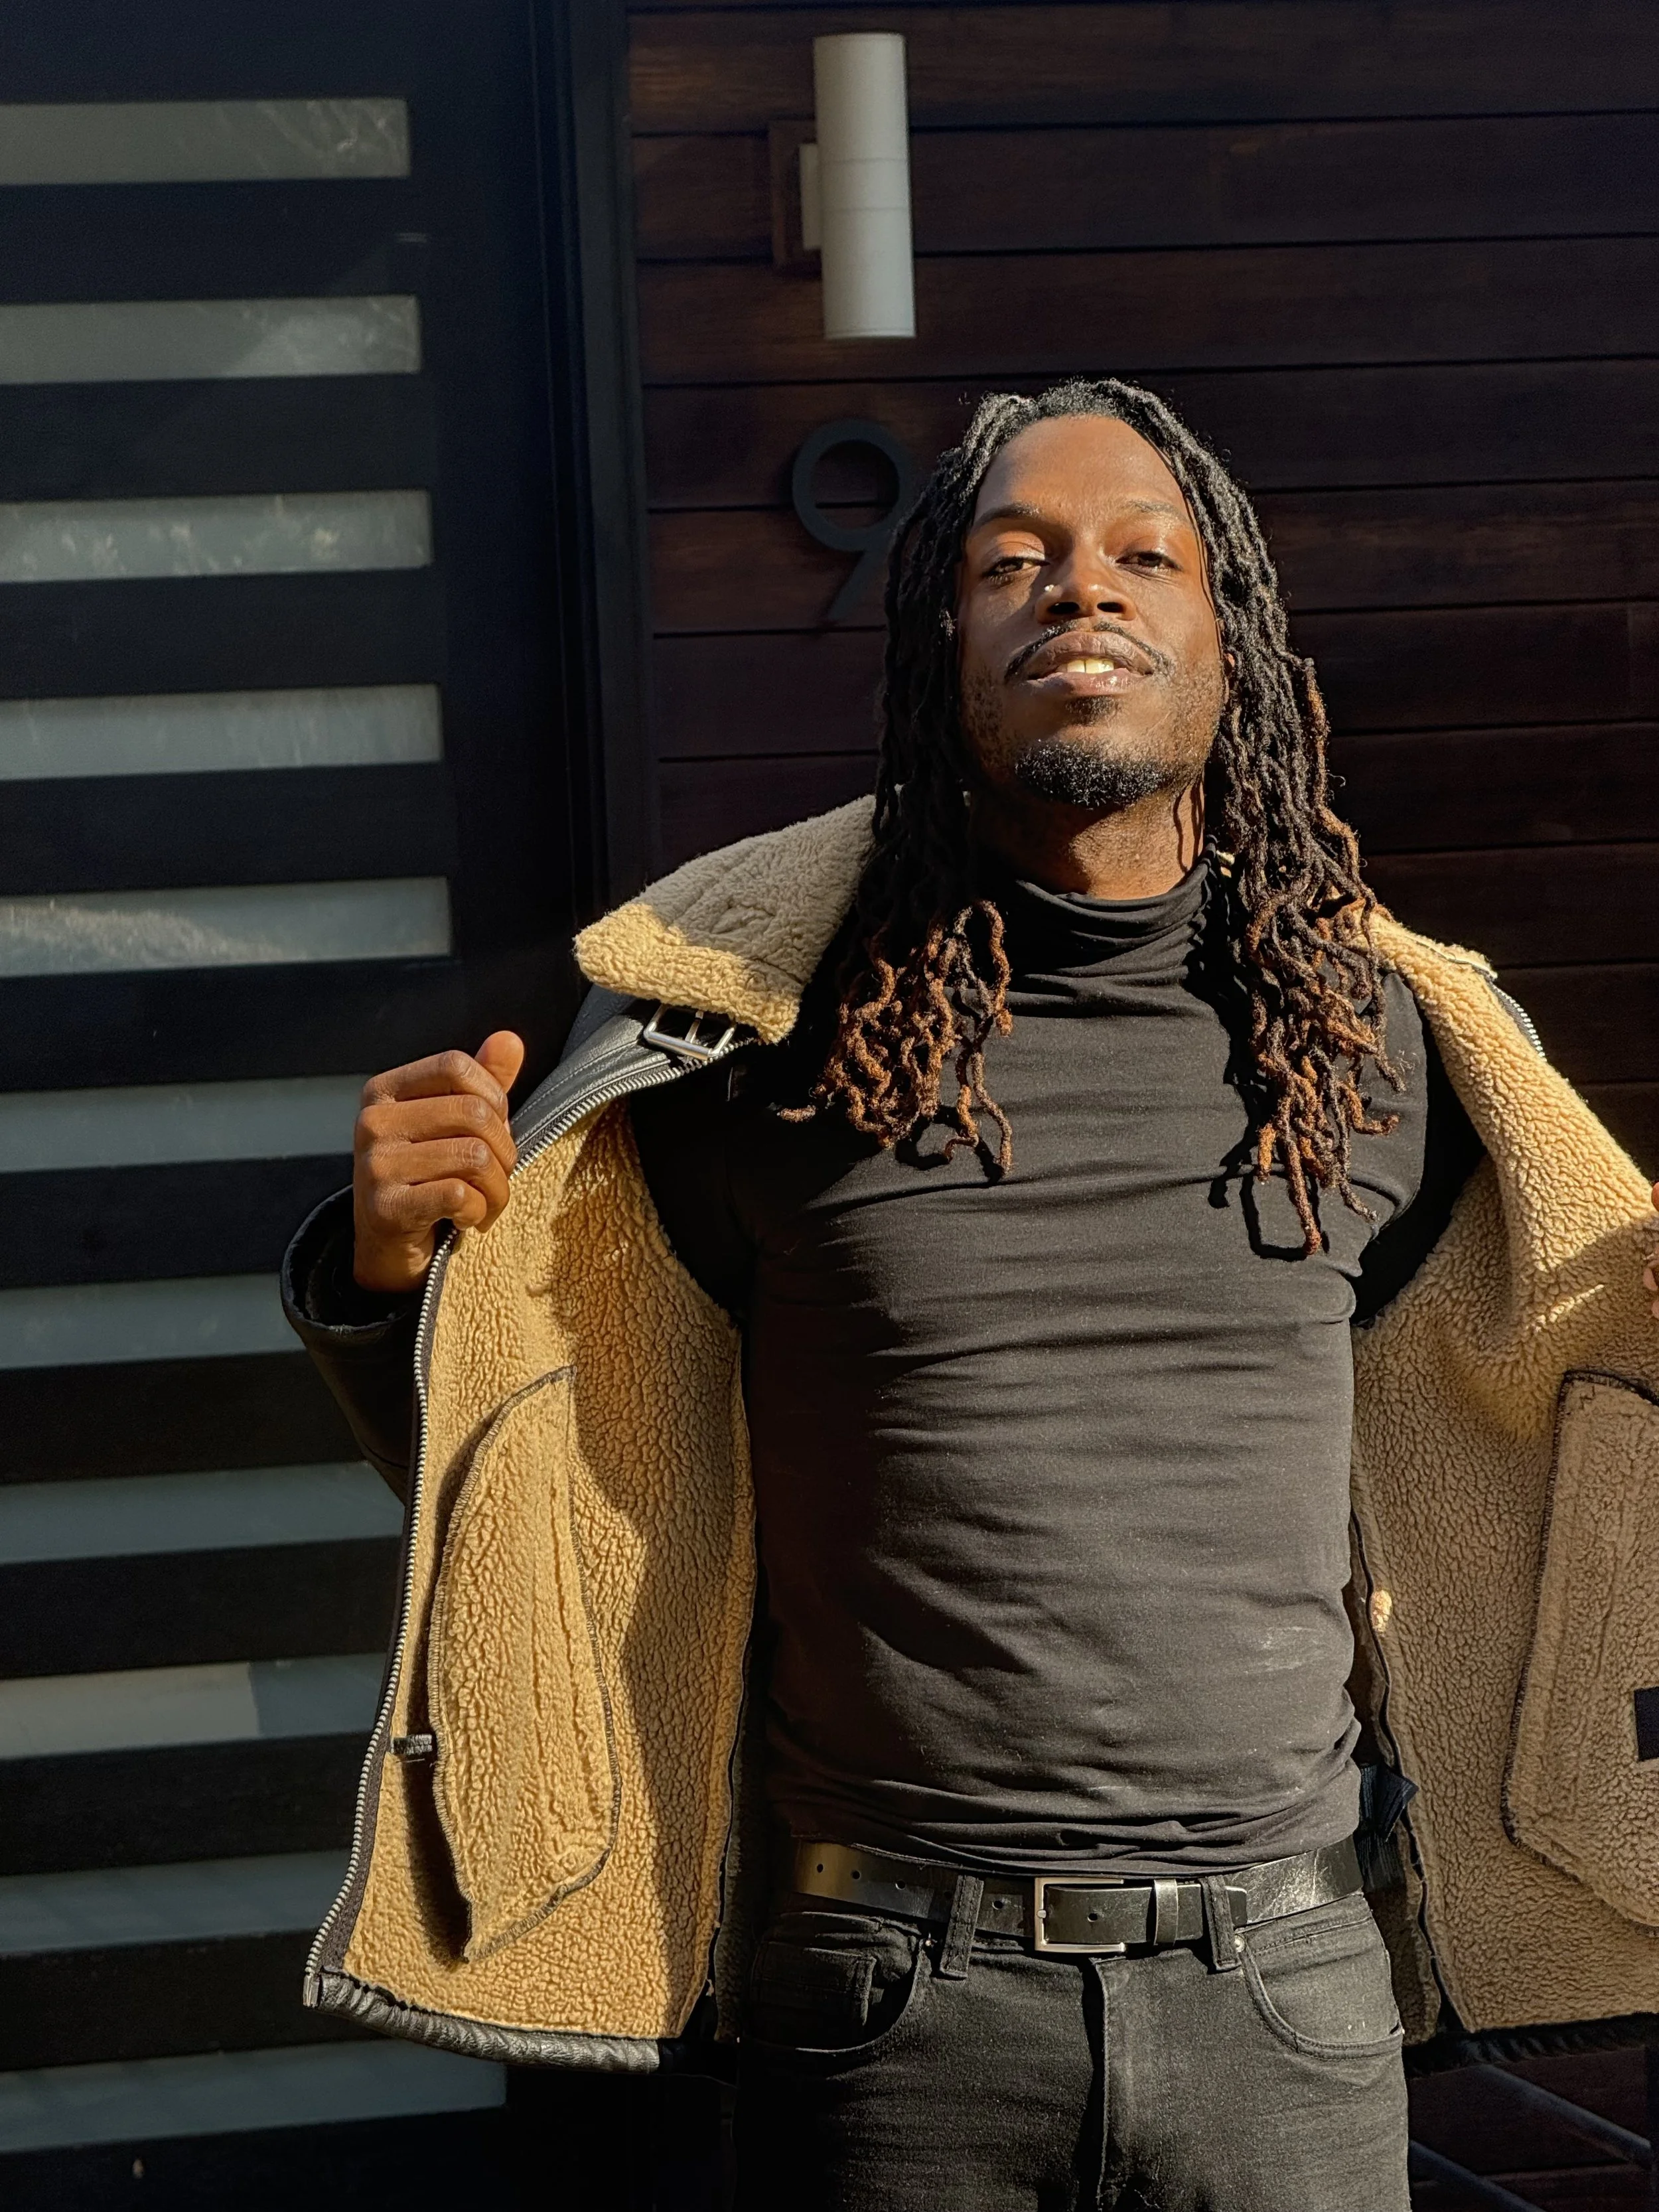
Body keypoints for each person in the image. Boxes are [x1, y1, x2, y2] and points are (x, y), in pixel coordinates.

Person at [283, 380, 1659, 2211]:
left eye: (1139, 556)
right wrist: (389, 1273)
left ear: (1226, 646)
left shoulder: (1381, 1049)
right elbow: (539, 1487)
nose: (1075, 588)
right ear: (942, 644)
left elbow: (1564, 1422)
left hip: (1288, 2001)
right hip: (888, 2007)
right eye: (1014, 560)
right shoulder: (749, 1052)